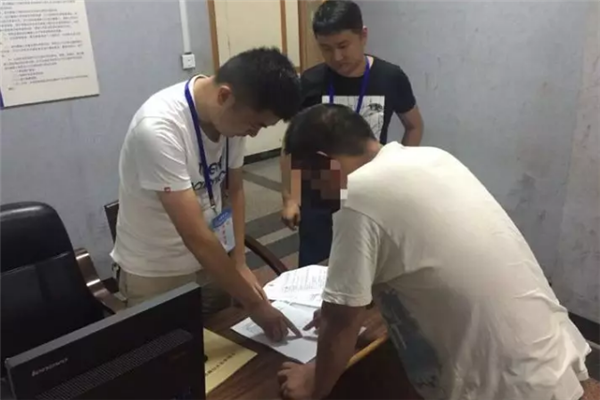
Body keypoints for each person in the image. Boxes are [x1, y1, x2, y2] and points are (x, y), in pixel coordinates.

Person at [278, 104, 590, 400]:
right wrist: (345, 303)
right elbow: (416, 253)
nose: (312, 193)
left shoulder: (357, 194)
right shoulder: (433, 157)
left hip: (503, 389)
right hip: (551, 362)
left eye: (308, 180)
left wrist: (314, 383)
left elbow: (341, 322)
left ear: (322, 163)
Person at [111, 48, 302, 342]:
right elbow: (196, 236)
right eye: (254, 125)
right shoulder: (159, 128)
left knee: (224, 342)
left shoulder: (230, 121)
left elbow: (235, 190)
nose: (253, 134)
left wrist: (238, 261)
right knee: (167, 355)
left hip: (213, 260)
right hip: (158, 271)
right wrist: (254, 304)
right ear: (225, 96)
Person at [280, 0, 424, 267]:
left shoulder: (390, 77)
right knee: (315, 271)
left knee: (368, 268)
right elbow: (292, 146)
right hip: (319, 197)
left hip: (370, 193)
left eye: (343, 46)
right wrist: (290, 198)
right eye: (326, 48)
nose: (336, 57)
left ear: (363, 36)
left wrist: (400, 170)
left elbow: (414, 125)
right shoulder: (310, 82)